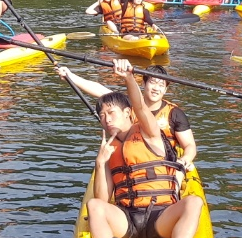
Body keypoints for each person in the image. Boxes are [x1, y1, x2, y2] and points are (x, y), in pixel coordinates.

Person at [78, 59, 204, 238]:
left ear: (128, 113)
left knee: (193, 202)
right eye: (102, 116)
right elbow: (102, 199)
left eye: (111, 114)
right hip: (127, 218)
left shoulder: (149, 131)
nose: (106, 120)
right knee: (94, 206)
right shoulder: (108, 148)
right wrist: (100, 164)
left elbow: (141, 107)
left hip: (161, 216)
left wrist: (128, 77)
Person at [58, 64, 197, 173]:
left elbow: (189, 145)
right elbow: (101, 91)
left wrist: (185, 159)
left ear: (165, 90)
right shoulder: (128, 105)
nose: (156, 88)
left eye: (161, 85)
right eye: (153, 83)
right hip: (131, 161)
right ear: (143, 84)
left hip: (163, 163)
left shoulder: (175, 113)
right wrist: (71, 76)